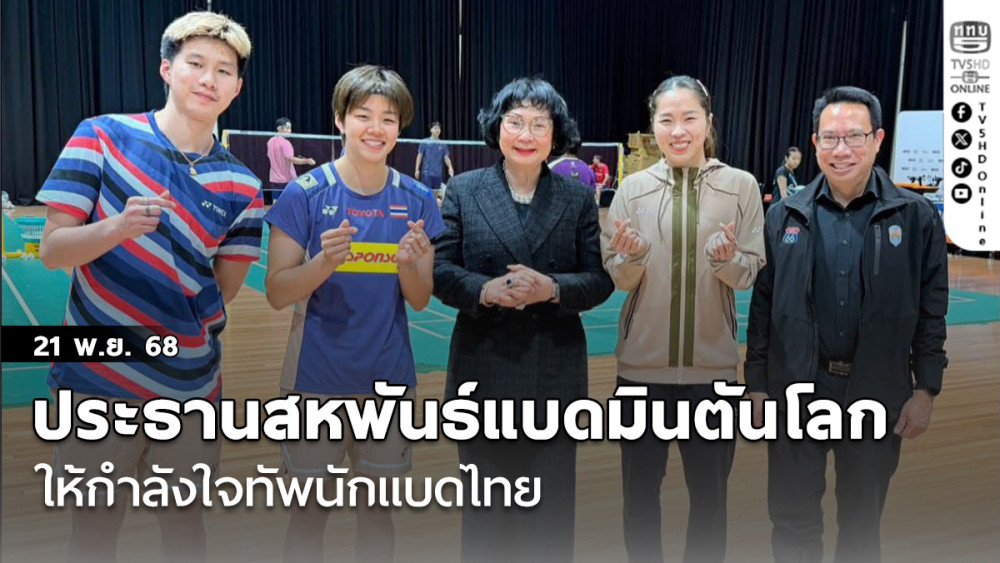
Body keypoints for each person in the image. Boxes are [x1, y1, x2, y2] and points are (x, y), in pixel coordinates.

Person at [35, 11, 259, 563]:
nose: (208, 79)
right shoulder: (101, 136)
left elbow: (223, 291)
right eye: (196, 63)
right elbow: (52, 250)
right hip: (96, 381)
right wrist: (117, 228)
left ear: (236, 87)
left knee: (185, 531)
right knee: (92, 533)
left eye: (224, 70)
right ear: (166, 68)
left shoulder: (244, 185)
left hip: (191, 387)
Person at [745, 86, 949, 563]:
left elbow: (931, 312)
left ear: (877, 140)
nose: (842, 150)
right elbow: (763, 308)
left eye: (854, 136)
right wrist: (756, 387)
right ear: (815, 143)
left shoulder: (915, 217)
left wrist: (925, 391)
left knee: (860, 527)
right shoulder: (784, 215)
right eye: (830, 138)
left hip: (877, 394)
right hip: (797, 392)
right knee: (791, 522)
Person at [263, 65, 443, 563]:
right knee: (308, 514)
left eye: (388, 118)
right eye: (363, 115)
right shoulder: (305, 193)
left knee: (377, 514)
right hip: (314, 381)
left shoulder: (418, 200)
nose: (376, 128)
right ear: (341, 120)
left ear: (400, 127)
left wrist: (407, 264)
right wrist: (322, 263)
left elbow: (420, 298)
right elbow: (276, 292)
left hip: (388, 383)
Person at [433, 77, 614, 563]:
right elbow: (440, 269)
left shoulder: (577, 198)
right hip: (482, 373)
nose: (526, 134)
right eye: (515, 122)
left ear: (556, 134)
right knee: (485, 524)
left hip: (553, 378)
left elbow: (599, 279)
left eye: (539, 123)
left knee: (549, 524)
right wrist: (484, 290)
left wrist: (552, 289)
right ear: (497, 128)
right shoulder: (464, 189)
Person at [602, 75, 765, 563]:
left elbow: (748, 273)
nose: (678, 130)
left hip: (713, 377)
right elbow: (619, 277)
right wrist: (631, 257)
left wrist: (724, 260)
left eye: (689, 118)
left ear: (708, 122)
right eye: (666, 120)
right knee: (638, 500)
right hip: (639, 376)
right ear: (653, 126)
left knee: (710, 503)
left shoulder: (741, 186)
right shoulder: (631, 189)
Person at [266, 117, 316, 204]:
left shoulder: (270, 141)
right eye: (287, 128)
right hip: (287, 179)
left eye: (290, 128)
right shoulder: (286, 143)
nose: (290, 131)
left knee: (276, 202)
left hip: (274, 178)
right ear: (280, 128)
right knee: (291, 202)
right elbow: (291, 159)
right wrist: (307, 161)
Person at [414, 120, 455, 191]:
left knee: (437, 194)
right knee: (427, 194)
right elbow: (419, 156)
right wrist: (417, 169)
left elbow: (446, 157)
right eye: (435, 128)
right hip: (427, 174)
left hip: (438, 174)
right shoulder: (424, 142)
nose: (437, 130)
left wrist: (450, 167)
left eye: (439, 128)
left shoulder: (443, 144)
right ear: (431, 130)